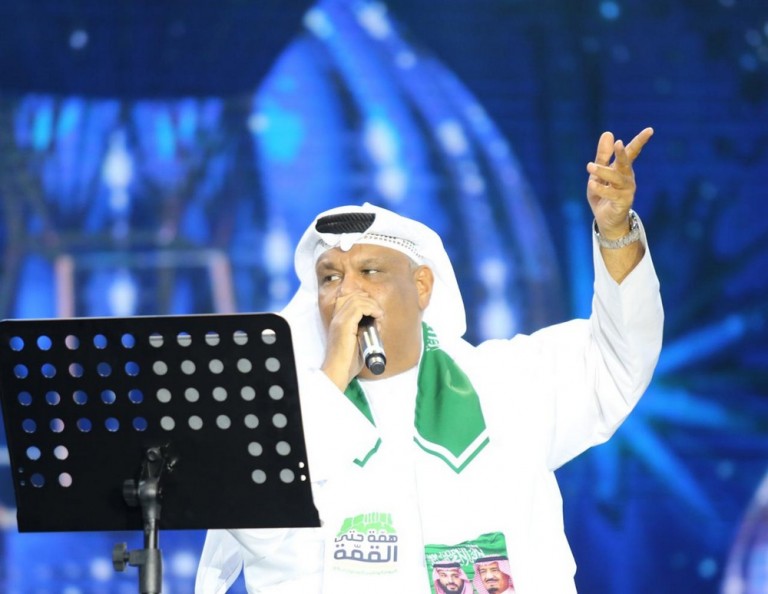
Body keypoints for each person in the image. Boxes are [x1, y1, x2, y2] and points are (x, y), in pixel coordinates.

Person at [195, 128, 663, 593]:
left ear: (421, 286)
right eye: (330, 278)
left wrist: (615, 233)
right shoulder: (272, 417)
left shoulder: (507, 384)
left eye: (370, 271)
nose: (347, 292)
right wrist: (333, 373)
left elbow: (616, 359)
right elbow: (249, 518)